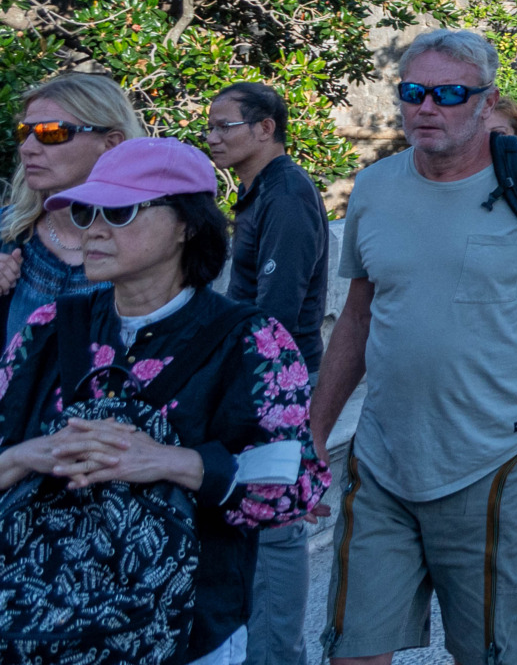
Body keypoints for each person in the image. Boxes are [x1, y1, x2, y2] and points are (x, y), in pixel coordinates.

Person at [311, 29, 517, 665]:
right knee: (351, 650)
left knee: (496, 654)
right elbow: (357, 316)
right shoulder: (375, 188)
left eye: (448, 95)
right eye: (413, 92)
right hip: (382, 458)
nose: (426, 107)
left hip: (499, 458)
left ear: (487, 102)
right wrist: (317, 431)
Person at [0, 138, 327, 665]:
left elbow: (295, 487)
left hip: (188, 636)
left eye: (120, 211)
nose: (94, 229)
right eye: (85, 212)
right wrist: (29, 455)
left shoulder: (250, 342)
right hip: (37, 632)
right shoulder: (47, 330)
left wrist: (170, 462)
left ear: (187, 225)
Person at [205, 81, 330, 665]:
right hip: (257, 379)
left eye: (224, 126)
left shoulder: (286, 194)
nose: (212, 137)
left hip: (278, 383)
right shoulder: (258, 192)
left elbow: (276, 310)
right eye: (209, 127)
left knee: (277, 528)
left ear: (264, 128)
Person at [1, 72, 138, 345]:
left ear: (111, 143)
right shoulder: (7, 230)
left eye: (52, 132)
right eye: (24, 133)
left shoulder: (151, 244)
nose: (27, 148)